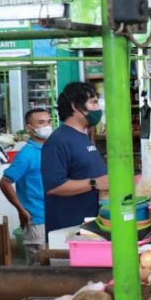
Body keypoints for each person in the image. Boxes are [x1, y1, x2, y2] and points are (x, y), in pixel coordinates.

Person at [42, 82, 109, 236]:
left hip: (87, 226)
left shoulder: (83, 137)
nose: (98, 108)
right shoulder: (58, 140)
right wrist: (96, 183)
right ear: (75, 106)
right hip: (67, 230)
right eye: (93, 102)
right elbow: (54, 186)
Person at [0, 108, 52, 265]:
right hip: (35, 218)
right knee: (38, 264)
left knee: (52, 263)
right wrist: (21, 209)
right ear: (30, 128)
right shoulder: (27, 154)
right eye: (41, 123)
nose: (47, 126)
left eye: (49, 122)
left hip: (51, 214)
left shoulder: (49, 149)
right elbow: (4, 182)